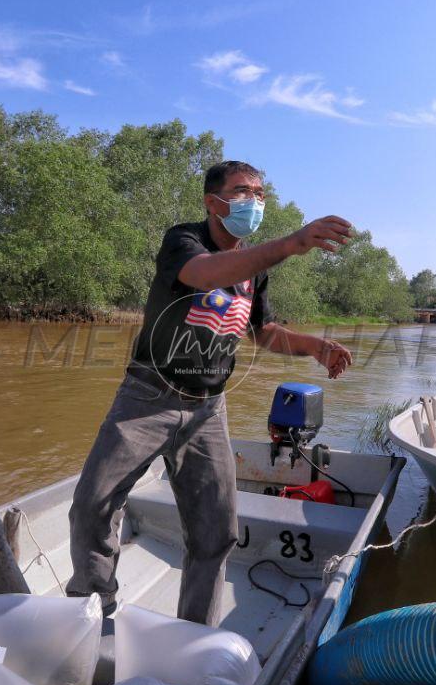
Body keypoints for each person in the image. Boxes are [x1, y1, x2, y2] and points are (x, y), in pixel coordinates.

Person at [66, 160, 355, 626]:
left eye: (260, 194)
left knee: (216, 533)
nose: (254, 202)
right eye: (242, 192)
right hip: (148, 397)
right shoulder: (183, 241)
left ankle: (192, 633)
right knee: (91, 507)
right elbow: (204, 274)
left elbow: (263, 331)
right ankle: (92, 614)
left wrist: (315, 347)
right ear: (212, 202)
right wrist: (290, 244)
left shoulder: (255, 270)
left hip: (208, 410)